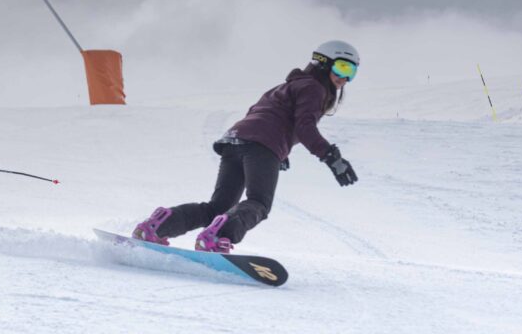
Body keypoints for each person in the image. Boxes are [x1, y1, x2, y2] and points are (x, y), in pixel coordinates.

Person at [132, 40, 361, 252]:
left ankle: (155, 227)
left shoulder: (284, 86)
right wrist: (331, 156)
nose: (345, 78)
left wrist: (281, 149)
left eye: (352, 72)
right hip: (261, 146)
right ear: (322, 63)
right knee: (259, 203)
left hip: (235, 141)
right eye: (342, 68)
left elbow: (260, 115)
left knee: (218, 207)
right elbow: (305, 127)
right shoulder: (314, 88)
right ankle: (217, 236)